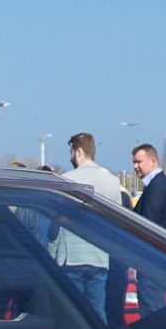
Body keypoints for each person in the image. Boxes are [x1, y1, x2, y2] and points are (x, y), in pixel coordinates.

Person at [54, 134, 118, 315]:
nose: (70, 157)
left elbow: (57, 219)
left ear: (79, 152)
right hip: (99, 257)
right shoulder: (112, 182)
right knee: (97, 312)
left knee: (74, 314)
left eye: (71, 152)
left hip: (71, 257)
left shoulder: (67, 179)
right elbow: (116, 223)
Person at [129, 145, 166, 230]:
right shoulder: (157, 183)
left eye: (139, 162)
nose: (135, 166)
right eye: (134, 163)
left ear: (153, 162)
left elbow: (148, 223)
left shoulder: (158, 186)